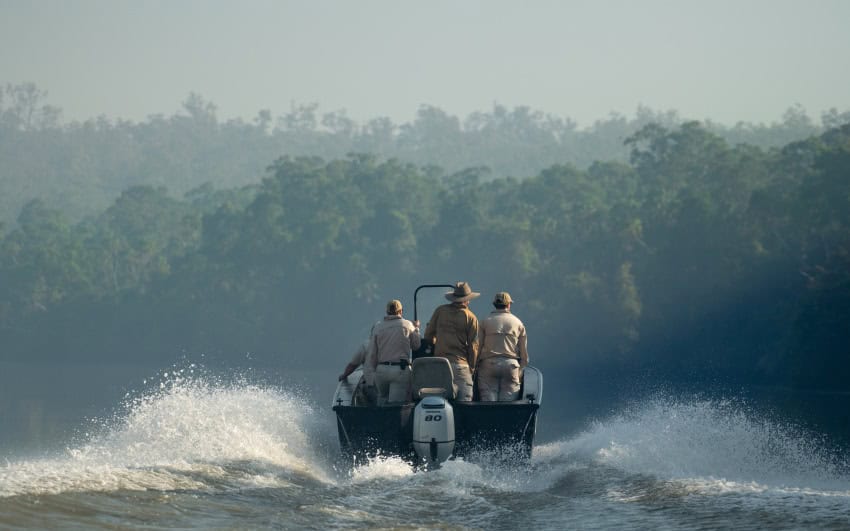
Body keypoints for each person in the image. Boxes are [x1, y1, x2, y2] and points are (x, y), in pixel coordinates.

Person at [423, 282, 480, 401]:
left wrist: (437, 343)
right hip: (461, 366)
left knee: (439, 401)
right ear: (467, 300)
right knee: (465, 404)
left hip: (441, 364)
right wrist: (472, 367)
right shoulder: (471, 317)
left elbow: (428, 335)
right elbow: (473, 346)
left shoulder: (440, 311)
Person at [476, 291, 529, 401]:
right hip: (511, 366)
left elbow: (478, 347)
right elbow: (524, 355)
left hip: (488, 364)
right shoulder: (518, 323)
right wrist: (520, 371)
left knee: (488, 404)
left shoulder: (485, 321)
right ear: (509, 305)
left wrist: (475, 366)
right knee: (507, 405)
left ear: (494, 304)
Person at [366, 299, 421, 404]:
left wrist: (372, 373)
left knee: (381, 400)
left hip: (381, 370)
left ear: (387, 312)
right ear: (401, 311)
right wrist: (416, 328)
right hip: (400, 370)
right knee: (395, 405)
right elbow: (416, 346)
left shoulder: (378, 327)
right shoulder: (408, 325)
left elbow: (372, 354)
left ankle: (380, 420)